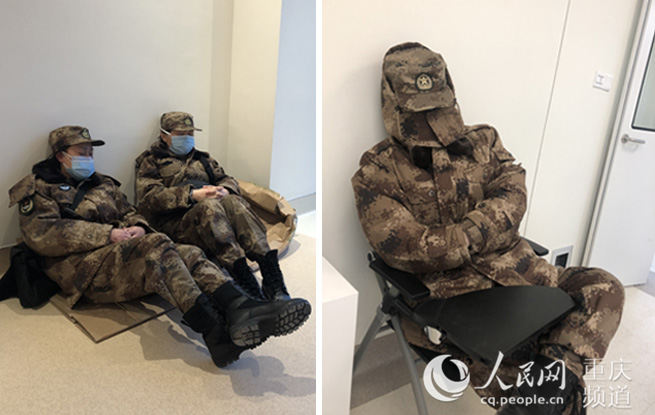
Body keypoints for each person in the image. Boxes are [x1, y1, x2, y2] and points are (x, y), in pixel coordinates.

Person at [351, 42, 625, 415]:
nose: (432, 119)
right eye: (420, 110)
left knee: (604, 286)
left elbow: (514, 195)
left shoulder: (485, 141)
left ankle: (553, 384)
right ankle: (555, 390)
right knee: (537, 386)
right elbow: (405, 247)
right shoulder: (377, 171)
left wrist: (465, 233)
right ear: (395, 105)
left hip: (523, 271)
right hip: (455, 300)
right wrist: (484, 230)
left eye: (438, 106)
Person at [8, 126, 310, 368]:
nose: (88, 157)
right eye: (81, 152)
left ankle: (241, 306)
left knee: (189, 252)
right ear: (61, 155)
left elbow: (131, 211)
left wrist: (138, 226)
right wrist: (108, 234)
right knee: (157, 245)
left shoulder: (103, 183)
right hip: (82, 270)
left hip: (120, 254)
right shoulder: (37, 189)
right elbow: (43, 234)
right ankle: (215, 332)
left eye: (90, 151)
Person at [134, 112, 310, 311]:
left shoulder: (203, 159)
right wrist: (192, 194)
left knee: (234, 202)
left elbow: (227, 179)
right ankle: (246, 284)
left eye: (190, 133)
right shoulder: (150, 162)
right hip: (176, 222)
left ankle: (273, 280)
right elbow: (149, 198)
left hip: (212, 217)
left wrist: (224, 189)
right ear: (164, 135)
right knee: (209, 206)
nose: (187, 138)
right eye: (180, 134)